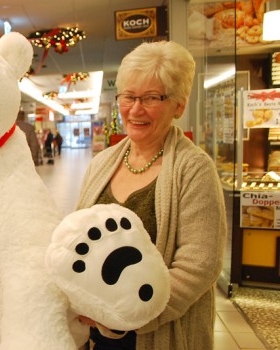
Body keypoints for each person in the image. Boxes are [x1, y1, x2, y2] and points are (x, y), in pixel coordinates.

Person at [75, 41, 226, 350]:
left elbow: (199, 265)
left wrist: (129, 317)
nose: (135, 109)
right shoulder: (103, 163)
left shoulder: (194, 169)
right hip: (99, 333)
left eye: (151, 98)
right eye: (128, 96)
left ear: (179, 105)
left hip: (159, 334)